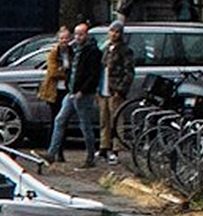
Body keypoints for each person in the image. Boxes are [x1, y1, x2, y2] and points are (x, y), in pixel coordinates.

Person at [47, 22, 101, 167]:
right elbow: (70, 69)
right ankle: (51, 153)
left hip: (83, 94)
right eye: (76, 34)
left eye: (81, 34)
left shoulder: (93, 52)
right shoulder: (75, 50)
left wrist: (82, 91)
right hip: (71, 92)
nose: (77, 37)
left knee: (85, 125)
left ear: (87, 35)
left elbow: (93, 75)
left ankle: (90, 156)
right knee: (59, 120)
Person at [99, 17, 135, 162]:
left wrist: (120, 90)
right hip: (104, 89)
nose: (113, 34)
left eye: (117, 32)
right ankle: (103, 146)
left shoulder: (125, 51)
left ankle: (116, 148)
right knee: (104, 119)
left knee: (116, 119)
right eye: (112, 31)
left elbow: (129, 72)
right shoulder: (107, 48)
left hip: (115, 90)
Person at [35, 25, 70, 114]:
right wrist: (66, 74)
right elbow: (52, 72)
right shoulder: (53, 53)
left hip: (68, 88)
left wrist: (62, 70)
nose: (64, 40)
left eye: (66, 38)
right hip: (55, 89)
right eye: (62, 38)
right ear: (58, 40)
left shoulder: (71, 51)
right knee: (56, 114)